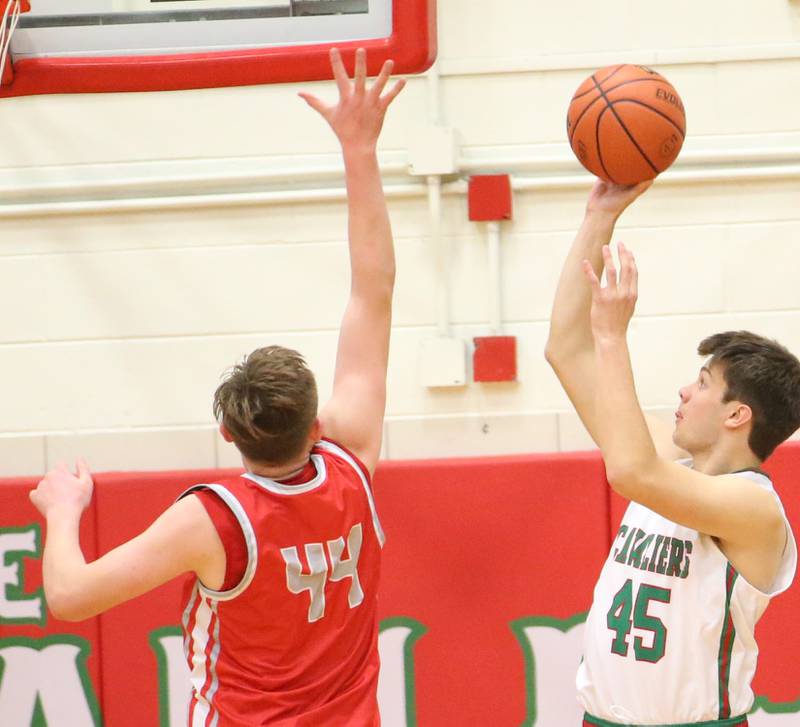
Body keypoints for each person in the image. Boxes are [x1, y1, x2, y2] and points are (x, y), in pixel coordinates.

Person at [29, 47, 405, 727]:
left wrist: (61, 509)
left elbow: (71, 594)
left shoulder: (214, 520)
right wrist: (360, 148)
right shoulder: (353, 459)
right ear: (317, 423)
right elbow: (373, 289)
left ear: (227, 432)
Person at [545, 179, 800, 727]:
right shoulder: (670, 463)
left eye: (703, 383)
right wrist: (600, 215)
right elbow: (565, 349)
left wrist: (613, 338)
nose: (685, 391)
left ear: (738, 414)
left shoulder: (755, 511)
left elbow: (632, 472)